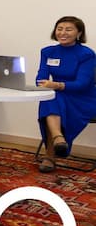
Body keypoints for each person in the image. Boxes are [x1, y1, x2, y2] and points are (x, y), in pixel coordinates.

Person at [35, 16, 96, 173]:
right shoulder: (48, 52)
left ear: (79, 33)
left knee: (52, 97)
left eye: (68, 29)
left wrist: (57, 85)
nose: (63, 33)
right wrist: (47, 85)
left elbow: (82, 84)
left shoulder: (86, 54)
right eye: (59, 29)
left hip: (83, 97)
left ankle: (51, 153)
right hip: (59, 95)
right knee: (50, 96)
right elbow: (40, 79)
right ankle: (58, 140)